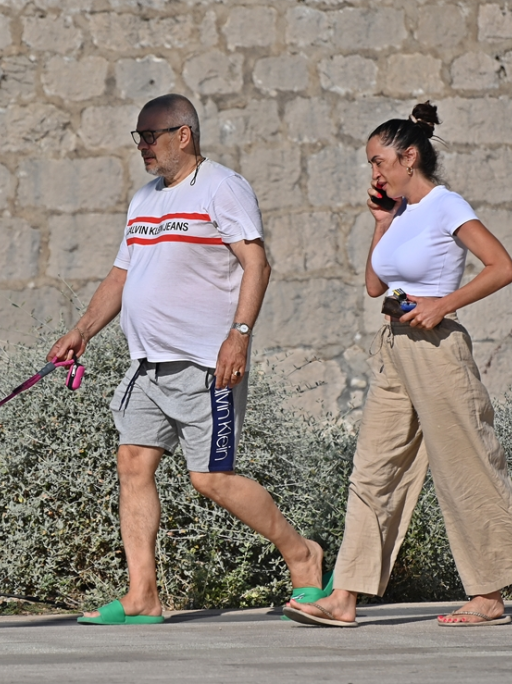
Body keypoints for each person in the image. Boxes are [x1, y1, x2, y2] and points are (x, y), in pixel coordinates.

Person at [47, 94, 325, 625]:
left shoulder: (222, 187)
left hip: (205, 365)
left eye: (150, 137)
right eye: (138, 138)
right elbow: (121, 275)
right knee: (133, 464)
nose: (143, 147)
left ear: (184, 135)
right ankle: (142, 597)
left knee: (211, 478)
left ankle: (302, 554)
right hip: (147, 365)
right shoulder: (144, 200)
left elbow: (256, 264)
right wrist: (81, 330)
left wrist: (238, 336)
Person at [284, 101, 512, 628]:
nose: (374, 173)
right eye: (371, 165)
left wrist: (442, 304)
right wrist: (382, 223)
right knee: (373, 470)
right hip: (394, 348)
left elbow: (503, 267)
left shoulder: (447, 205)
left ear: (410, 157)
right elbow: (374, 286)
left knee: (464, 466)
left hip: (436, 350)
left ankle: (489, 595)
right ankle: (346, 596)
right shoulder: (400, 213)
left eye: (380, 162)